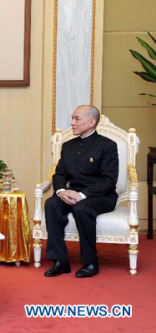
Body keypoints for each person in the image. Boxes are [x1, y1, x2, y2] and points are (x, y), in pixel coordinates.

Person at [44, 105, 119, 278]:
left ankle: (91, 262)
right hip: (72, 193)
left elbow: (108, 180)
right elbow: (59, 173)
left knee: (82, 208)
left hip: (100, 196)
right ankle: (60, 261)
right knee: (51, 204)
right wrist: (62, 191)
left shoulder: (107, 146)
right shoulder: (68, 146)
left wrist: (82, 195)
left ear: (92, 122)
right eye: (72, 118)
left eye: (77, 119)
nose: (72, 123)